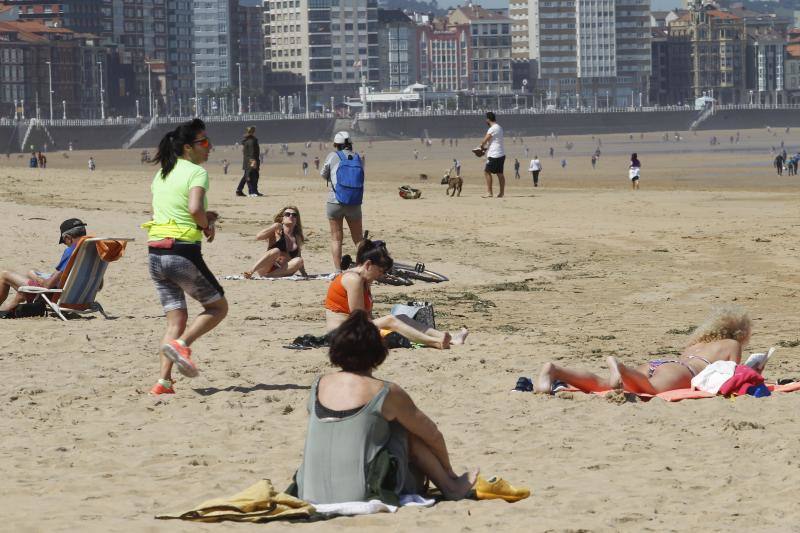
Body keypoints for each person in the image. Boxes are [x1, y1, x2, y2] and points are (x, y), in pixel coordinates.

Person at [294, 310, 479, 504]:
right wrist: (448, 470)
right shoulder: (385, 391)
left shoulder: (318, 385)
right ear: (379, 352)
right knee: (405, 430)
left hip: (309, 490)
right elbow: (432, 434)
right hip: (361, 491)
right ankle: (451, 486)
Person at [144, 118, 228, 395]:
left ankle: (163, 382)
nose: (209, 146)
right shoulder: (196, 172)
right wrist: (205, 225)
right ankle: (183, 345)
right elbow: (193, 209)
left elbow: (174, 209)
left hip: (156, 253)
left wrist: (206, 217)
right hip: (181, 252)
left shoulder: (163, 173)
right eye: (204, 142)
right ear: (188, 148)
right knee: (218, 308)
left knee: (175, 321)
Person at [534, 306, 751, 395]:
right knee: (651, 389)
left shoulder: (695, 344)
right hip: (685, 372)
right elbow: (735, 375)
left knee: (605, 386)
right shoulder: (732, 345)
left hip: (662, 364)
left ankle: (555, 371)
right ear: (740, 334)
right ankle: (620, 366)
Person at [325, 239, 468, 349]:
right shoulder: (352, 279)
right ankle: (436, 342)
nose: (380, 275)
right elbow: (359, 318)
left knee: (401, 317)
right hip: (341, 335)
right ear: (368, 265)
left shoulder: (364, 281)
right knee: (391, 320)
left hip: (355, 329)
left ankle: (448, 337)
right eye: (380, 271)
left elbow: (367, 316)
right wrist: (385, 326)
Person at [0, 218, 87, 317]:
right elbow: (99, 285)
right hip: (80, 299)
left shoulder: (72, 251)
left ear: (68, 237)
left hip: (57, 296)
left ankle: (11, 308)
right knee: (30, 274)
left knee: (5, 275)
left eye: (64, 241)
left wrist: (36, 278)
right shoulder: (92, 252)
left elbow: (47, 286)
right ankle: (12, 307)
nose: (66, 244)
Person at [321, 131, 364, 271]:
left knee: (336, 238)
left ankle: (338, 271)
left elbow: (323, 174)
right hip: (354, 201)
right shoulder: (357, 157)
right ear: (350, 143)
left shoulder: (333, 156)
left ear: (336, 144)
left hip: (335, 201)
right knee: (358, 238)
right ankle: (362, 268)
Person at [243, 205, 307, 278]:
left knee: (299, 260)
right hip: (266, 267)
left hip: (282, 270)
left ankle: (269, 276)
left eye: (294, 215)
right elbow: (258, 237)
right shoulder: (276, 231)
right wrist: (274, 226)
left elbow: (298, 255)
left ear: (296, 219)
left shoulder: (297, 236)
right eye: (287, 214)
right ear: (282, 219)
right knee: (275, 251)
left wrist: (304, 273)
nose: (291, 216)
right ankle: (251, 271)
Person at [478, 111, 505, 197]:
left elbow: (484, 141)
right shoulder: (500, 127)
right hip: (501, 153)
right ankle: (501, 193)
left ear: (488, 119)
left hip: (494, 154)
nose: (486, 121)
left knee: (487, 172)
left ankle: (489, 192)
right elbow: (494, 141)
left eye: (486, 119)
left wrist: (480, 147)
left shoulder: (492, 128)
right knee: (500, 174)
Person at [236, 126, 263, 197]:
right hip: (251, 161)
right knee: (251, 176)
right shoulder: (251, 141)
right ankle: (252, 191)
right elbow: (252, 152)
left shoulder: (249, 140)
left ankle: (239, 190)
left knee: (248, 176)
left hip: (250, 160)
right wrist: (253, 161)